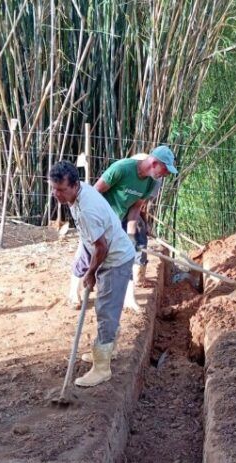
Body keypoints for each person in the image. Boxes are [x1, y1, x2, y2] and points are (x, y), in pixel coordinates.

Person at [50, 160, 135, 387]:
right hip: (107, 253)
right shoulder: (75, 197)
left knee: (106, 309)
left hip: (116, 260)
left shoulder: (87, 208)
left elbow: (102, 246)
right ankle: (107, 350)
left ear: (75, 185)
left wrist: (90, 273)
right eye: (54, 188)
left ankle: (102, 367)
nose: (56, 194)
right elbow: (91, 241)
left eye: (61, 189)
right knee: (108, 307)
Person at [67, 145, 178, 311]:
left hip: (119, 218)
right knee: (88, 256)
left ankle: (128, 299)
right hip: (99, 216)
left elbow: (135, 208)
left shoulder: (150, 183)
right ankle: (73, 293)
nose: (166, 174)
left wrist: (131, 235)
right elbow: (95, 192)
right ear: (154, 163)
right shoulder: (122, 169)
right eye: (165, 170)